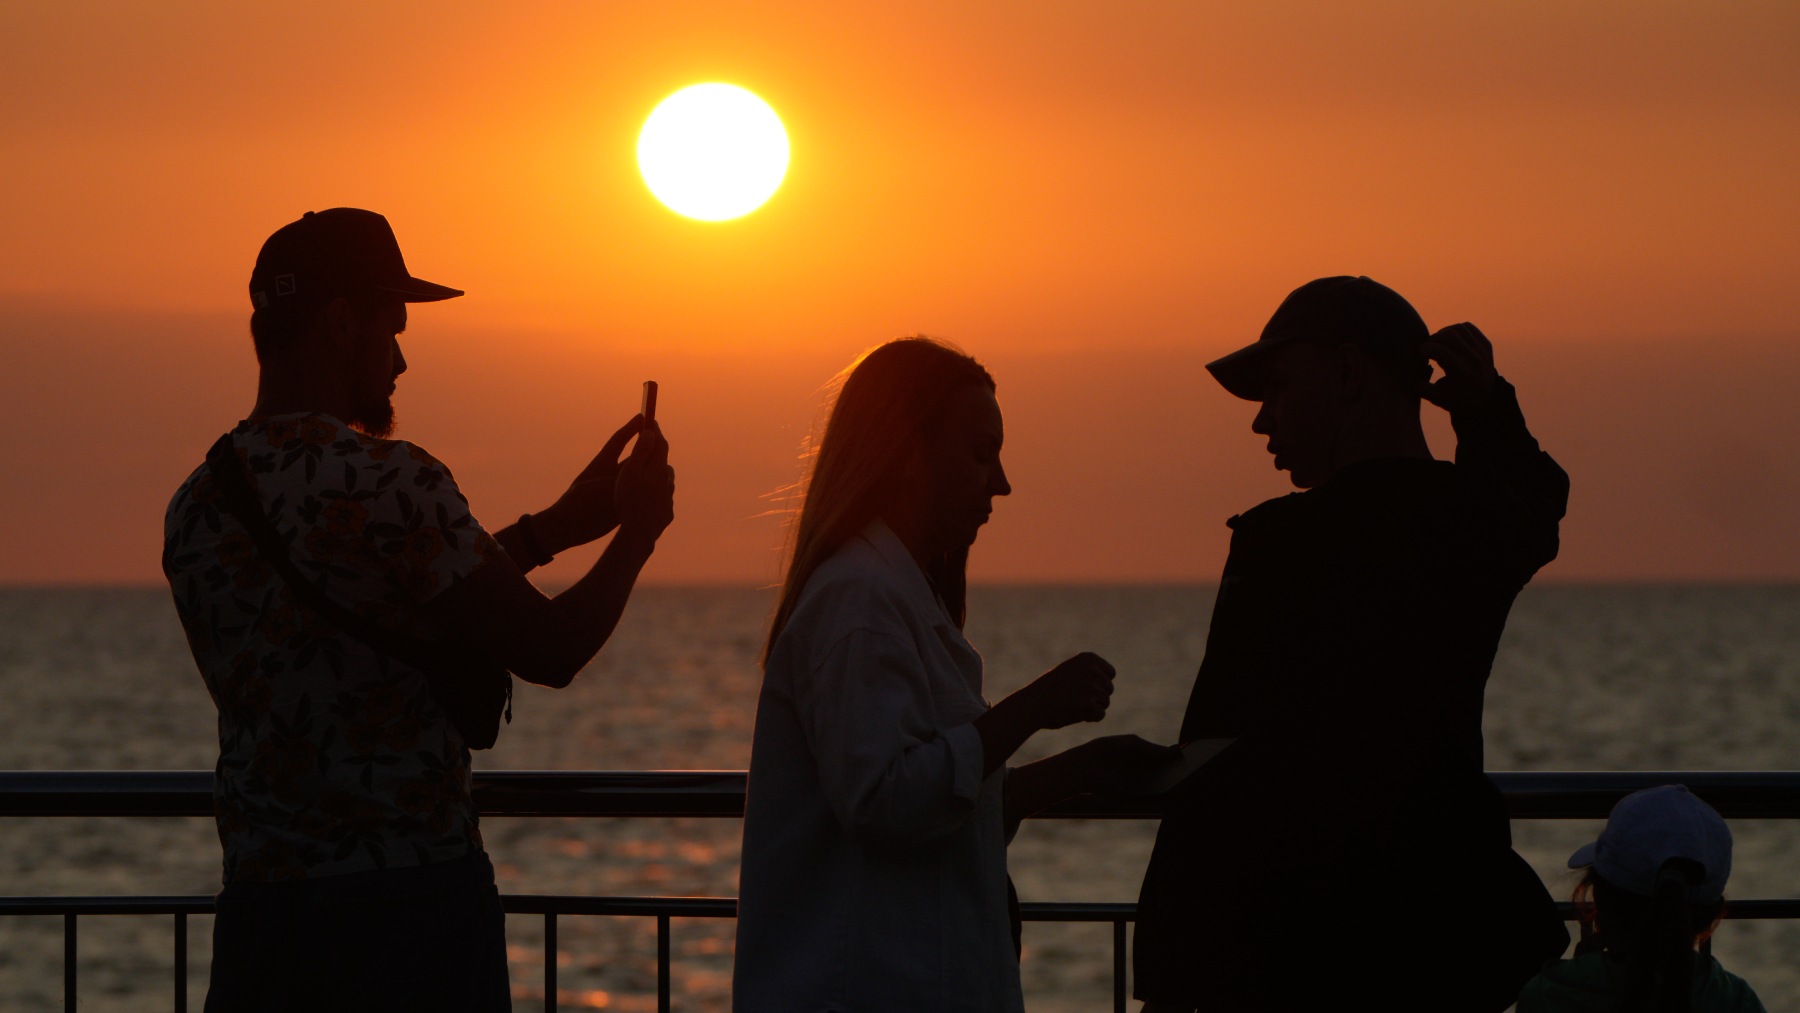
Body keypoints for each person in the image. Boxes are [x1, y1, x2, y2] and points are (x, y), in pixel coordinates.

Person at [162, 207, 675, 1011]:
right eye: (392, 327)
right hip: (407, 914)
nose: (400, 359)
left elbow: (381, 592)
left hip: (262, 921)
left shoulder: (196, 505)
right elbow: (552, 647)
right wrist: (637, 533)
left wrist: (550, 529)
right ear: (341, 323)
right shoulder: (394, 480)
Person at [1133, 276, 1571, 1011]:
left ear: (1345, 372)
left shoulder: (1280, 544)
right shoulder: (1478, 525)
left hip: (1294, 950)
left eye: (1277, 386)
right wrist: (1487, 409)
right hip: (1437, 946)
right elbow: (1539, 504)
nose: (1261, 420)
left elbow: (1217, 758)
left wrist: (1170, 972)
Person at [732, 337, 1174, 1012]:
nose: (1001, 482)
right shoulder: (861, 598)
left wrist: (1079, 772)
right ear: (910, 454)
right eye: (979, 453)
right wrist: (1033, 708)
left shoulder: (889, 593)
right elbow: (885, 801)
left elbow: (939, 800)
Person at [1519, 785, 1766, 1013]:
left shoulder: (1549, 994)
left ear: (1599, 897)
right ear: (1712, 916)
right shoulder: (1737, 1000)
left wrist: (1583, 975)